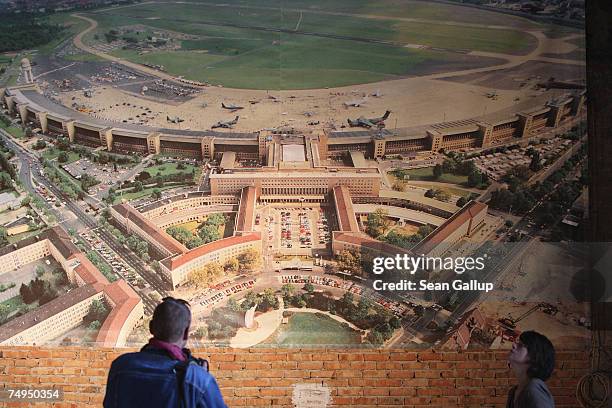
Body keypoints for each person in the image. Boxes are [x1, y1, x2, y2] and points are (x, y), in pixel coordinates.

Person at [104, 297, 226, 408]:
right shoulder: (196, 379)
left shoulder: (120, 366)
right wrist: (201, 379)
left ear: (151, 327)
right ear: (186, 332)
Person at [507, 330, 556, 408]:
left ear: (534, 356)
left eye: (521, 345)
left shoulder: (534, 390)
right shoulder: (513, 392)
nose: (513, 345)